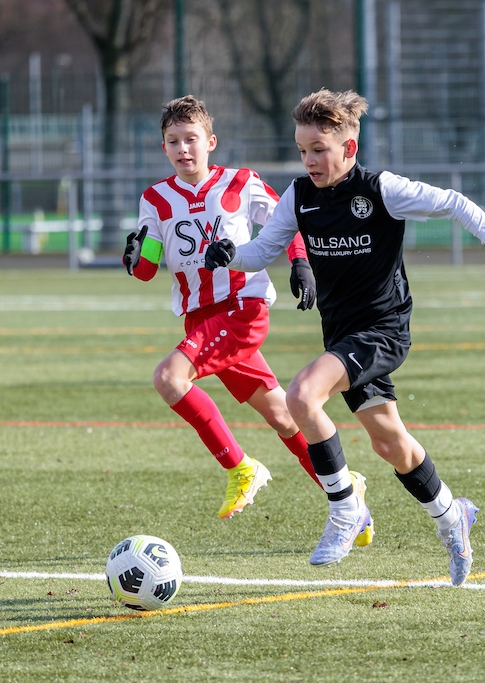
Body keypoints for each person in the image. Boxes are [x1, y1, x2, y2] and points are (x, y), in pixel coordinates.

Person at [204, 89, 485, 584]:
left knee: (302, 394)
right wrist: (230, 255)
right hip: (341, 334)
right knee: (391, 444)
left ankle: (346, 508)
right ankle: (453, 514)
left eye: (319, 149)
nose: (309, 160)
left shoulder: (382, 189)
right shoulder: (299, 196)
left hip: (383, 331)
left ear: (349, 147)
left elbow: (454, 202)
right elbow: (261, 251)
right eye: (302, 150)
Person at [123, 95, 372, 541]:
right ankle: (348, 497)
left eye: (191, 139)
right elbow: (146, 270)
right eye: (173, 141)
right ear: (164, 148)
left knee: (169, 378)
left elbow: (289, 221)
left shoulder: (240, 182)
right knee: (284, 417)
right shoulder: (154, 200)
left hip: (242, 310)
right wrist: (135, 258)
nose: (183, 149)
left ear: (210, 142)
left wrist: (300, 263)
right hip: (200, 320)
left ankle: (241, 467)